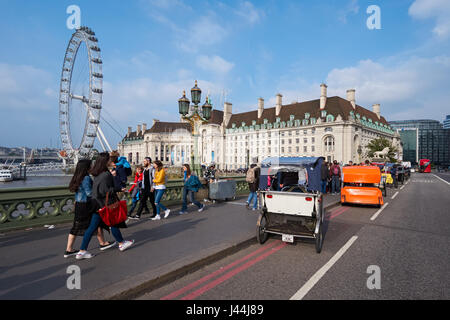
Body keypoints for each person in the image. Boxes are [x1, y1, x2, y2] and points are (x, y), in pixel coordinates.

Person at [76, 152, 135, 260]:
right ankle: (121, 243)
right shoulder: (106, 174)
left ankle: (82, 251)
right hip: (103, 203)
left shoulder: (97, 173)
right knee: (113, 222)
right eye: (109, 160)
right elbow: (105, 191)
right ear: (105, 161)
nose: (111, 161)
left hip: (95, 203)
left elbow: (99, 188)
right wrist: (117, 189)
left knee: (92, 227)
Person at [64, 159, 115, 258]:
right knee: (94, 224)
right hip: (86, 205)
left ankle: (69, 249)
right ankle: (98, 245)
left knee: (77, 227)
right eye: (90, 165)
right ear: (86, 167)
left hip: (78, 204)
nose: (92, 167)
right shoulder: (86, 178)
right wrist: (100, 193)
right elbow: (89, 193)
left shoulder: (76, 177)